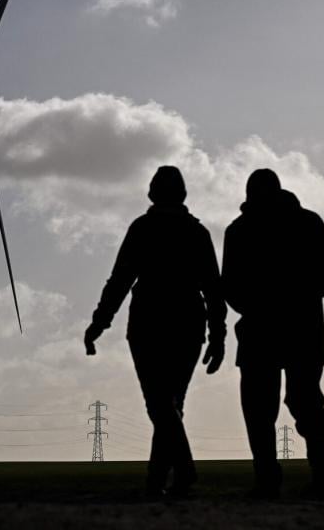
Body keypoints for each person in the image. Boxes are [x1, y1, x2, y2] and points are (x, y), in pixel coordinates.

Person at [84, 166, 227, 497]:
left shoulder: (142, 229)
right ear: (183, 195)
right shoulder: (197, 233)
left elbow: (119, 281)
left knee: (161, 404)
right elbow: (213, 289)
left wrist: (99, 323)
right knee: (170, 404)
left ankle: (180, 472)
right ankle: (160, 480)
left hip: (148, 324)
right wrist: (218, 334)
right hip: (189, 324)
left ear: (151, 194)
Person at [221, 169, 324, 499]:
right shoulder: (308, 223)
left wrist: (259, 304)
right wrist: (298, 296)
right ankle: (321, 472)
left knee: (262, 409)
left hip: (262, 331)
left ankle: (269, 479)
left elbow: (230, 288)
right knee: (305, 403)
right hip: (302, 329)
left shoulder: (240, 231)